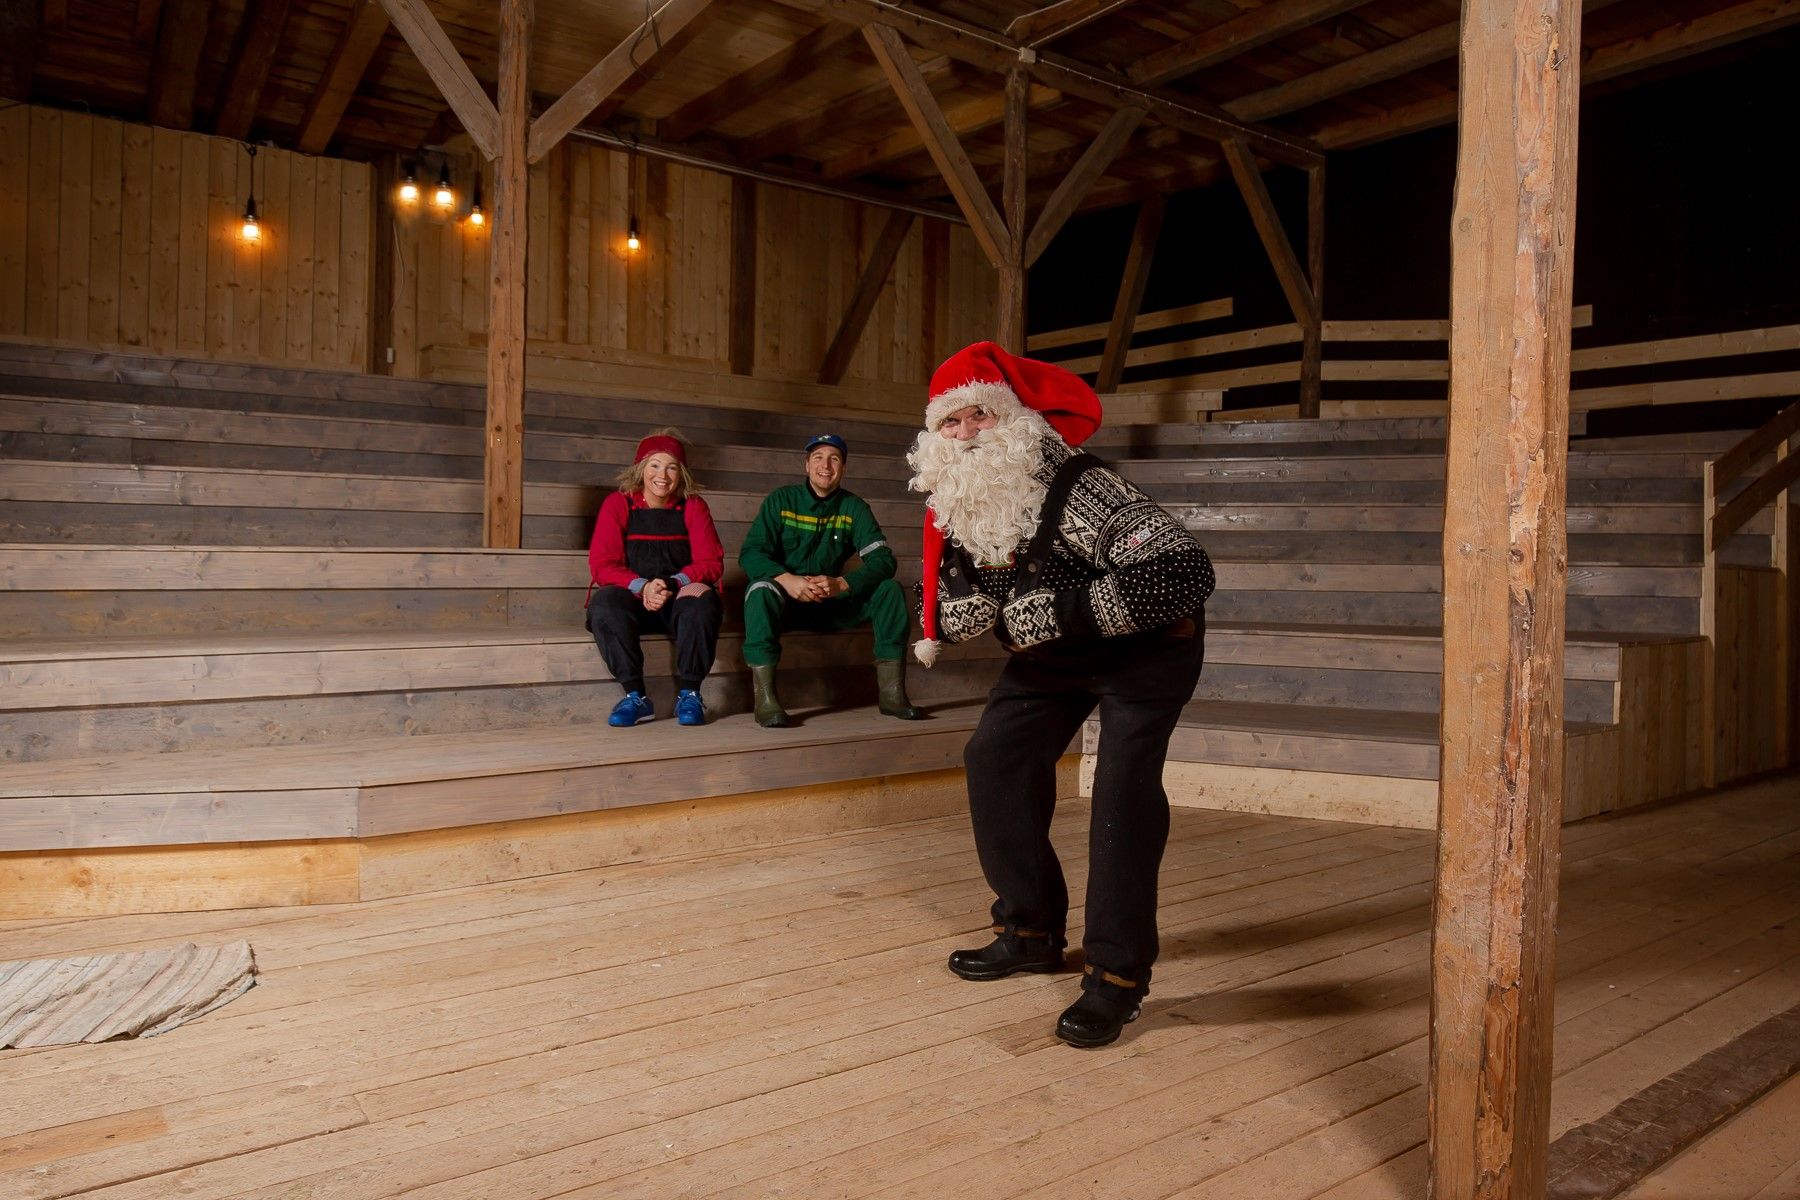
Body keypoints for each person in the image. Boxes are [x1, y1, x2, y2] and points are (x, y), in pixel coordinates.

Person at [907, 341, 1215, 1049]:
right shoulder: (972, 501)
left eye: (978, 416)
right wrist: (953, 609)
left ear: (1012, 418)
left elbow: (1182, 572)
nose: (963, 435)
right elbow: (957, 601)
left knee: (1120, 796)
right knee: (995, 758)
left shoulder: (1080, 486)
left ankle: (1117, 978)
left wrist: (1056, 612)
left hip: (1148, 650)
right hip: (1058, 657)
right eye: (950, 423)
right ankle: (1029, 930)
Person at [739, 433, 923, 728]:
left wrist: (843, 583)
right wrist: (788, 580)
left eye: (834, 458)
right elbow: (750, 554)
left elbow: (884, 561)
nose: (825, 465)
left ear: (844, 468)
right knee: (760, 588)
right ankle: (766, 701)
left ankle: (892, 696)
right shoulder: (781, 501)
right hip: (786, 605)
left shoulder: (854, 508)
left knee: (888, 589)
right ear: (806, 465)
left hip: (832, 603)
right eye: (818, 458)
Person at [586, 429, 725, 727]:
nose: (663, 474)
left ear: (681, 473)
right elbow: (602, 565)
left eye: (672, 466)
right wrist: (643, 586)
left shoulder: (693, 506)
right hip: (634, 596)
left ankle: (690, 693)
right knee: (604, 604)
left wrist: (672, 582)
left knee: (703, 600)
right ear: (640, 469)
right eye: (655, 465)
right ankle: (635, 696)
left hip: (679, 595)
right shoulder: (618, 504)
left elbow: (710, 563)